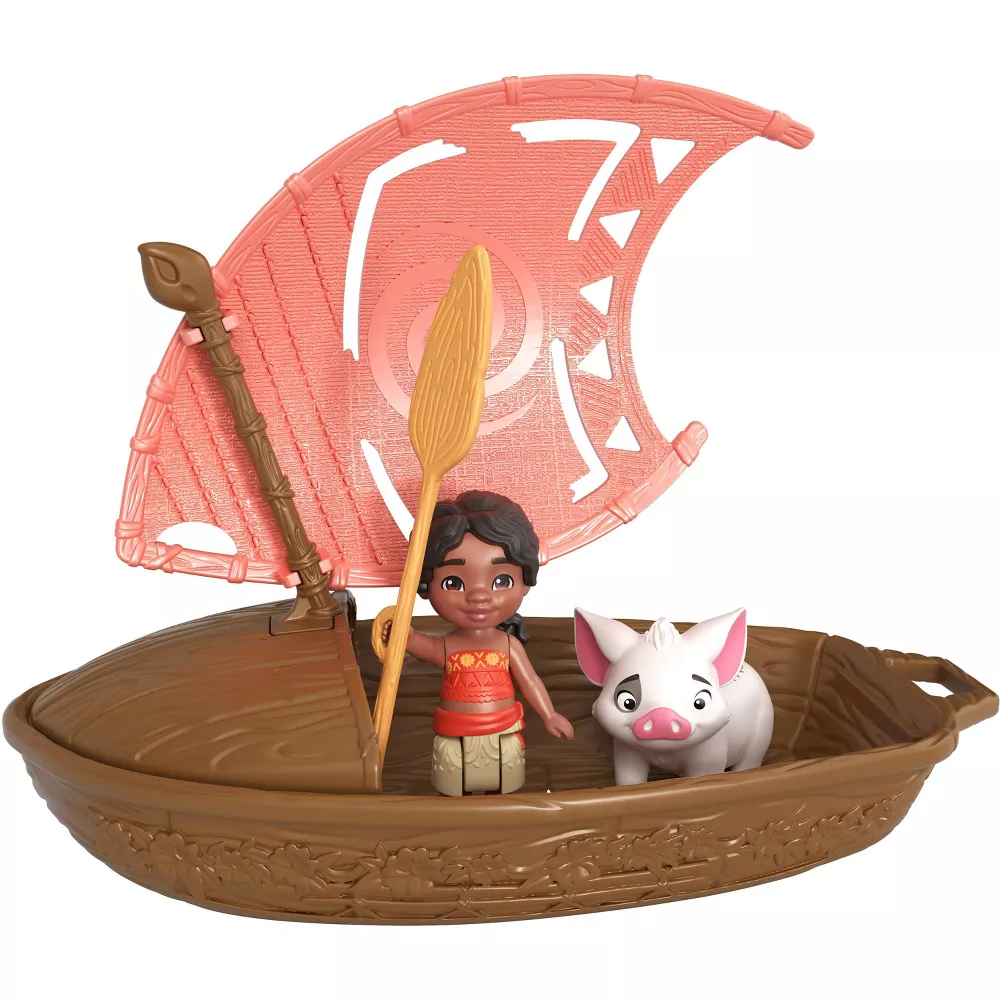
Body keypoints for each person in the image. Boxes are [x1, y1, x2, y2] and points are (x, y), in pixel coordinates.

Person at [381, 491, 574, 795]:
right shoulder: (449, 646)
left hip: (504, 728)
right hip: (454, 730)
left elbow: (530, 681)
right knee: (452, 781)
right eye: (453, 583)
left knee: (506, 780)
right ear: (426, 585)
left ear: (525, 582)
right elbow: (423, 646)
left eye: (501, 581)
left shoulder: (508, 645)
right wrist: (402, 636)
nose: (479, 595)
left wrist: (549, 714)